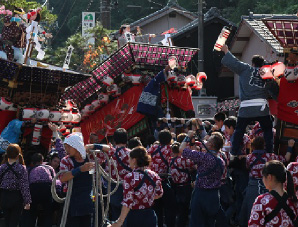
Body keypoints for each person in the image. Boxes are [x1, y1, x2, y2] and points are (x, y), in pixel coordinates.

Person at [221, 44, 273, 155]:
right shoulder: (267, 73)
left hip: (246, 107)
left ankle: (235, 152)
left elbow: (234, 62)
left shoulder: (246, 68)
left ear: (252, 64)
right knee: (268, 129)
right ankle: (269, 151)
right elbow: (273, 89)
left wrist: (226, 50)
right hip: (261, 107)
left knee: (239, 130)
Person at [240, 136, 292, 226]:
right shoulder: (270, 156)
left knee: (249, 210)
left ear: (253, 146)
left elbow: (247, 167)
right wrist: (290, 146)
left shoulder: (249, 158)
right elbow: (286, 158)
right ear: (264, 145)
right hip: (269, 185)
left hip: (252, 187)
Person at [180, 131, 225, 227]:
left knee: (197, 223)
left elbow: (181, 150)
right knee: (211, 223)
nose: (205, 142)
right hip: (214, 196)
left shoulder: (204, 157)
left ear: (211, 145)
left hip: (201, 195)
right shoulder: (221, 160)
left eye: (208, 141)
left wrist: (187, 137)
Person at [110, 146, 163, 227]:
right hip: (150, 215)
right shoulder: (154, 175)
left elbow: (128, 202)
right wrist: (146, 197)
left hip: (134, 217)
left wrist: (119, 221)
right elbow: (159, 193)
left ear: (134, 160)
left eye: (129, 158)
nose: (128, 161)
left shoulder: (130, 177)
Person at [86, 128, 131, 222]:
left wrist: (91, 145)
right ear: (127, 139)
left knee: (116, 215)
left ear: (114, 140)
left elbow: (103, 148)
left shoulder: (112, 152)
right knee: (128, 215)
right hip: (129, 188)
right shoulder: (131, 154)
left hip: (114, 188)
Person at [59, 133, 95, 227]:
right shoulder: (66, 161)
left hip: (87, 200)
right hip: (72, 200)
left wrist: (93, 146)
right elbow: (62, 178)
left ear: (76, 146)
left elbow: (111, 151)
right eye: (65, 147)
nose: (67, 150)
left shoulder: (90, 157)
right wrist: (80, 169)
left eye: (69, 147)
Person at [248, 160, 298, 226]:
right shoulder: (293, 200)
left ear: (269, 177)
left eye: (263, 176)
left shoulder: (261, 201)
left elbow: (254, 224)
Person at [148, 129, 176, 227]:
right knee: (170, 206)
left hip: (151, 181)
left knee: (157, 208)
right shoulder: (169, 149)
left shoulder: (153, 147)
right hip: (162, 180)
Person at [0, 144, 31, 227]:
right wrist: (27, 201)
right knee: (14, 222)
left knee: (6, 221)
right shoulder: (21, 168)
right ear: (18, 155)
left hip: (4, 196)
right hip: (16, 197)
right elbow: (24, 185)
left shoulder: (2, 167)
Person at [24, 153, 55, 227]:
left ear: (32, 162)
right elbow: (55, 180)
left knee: (32, 213)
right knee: (47, 213)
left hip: (34, 190)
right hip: (47, 189)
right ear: (42, 160)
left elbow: (26, 183)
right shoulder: (49, 168)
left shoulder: (29, 169)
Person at [169, 142, 195, 227]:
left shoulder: (170, 160)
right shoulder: (182, 160)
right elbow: (193, 164)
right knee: (187, 207)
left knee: (180, 209)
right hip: (186, 187)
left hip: (176, 187)